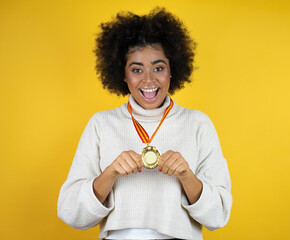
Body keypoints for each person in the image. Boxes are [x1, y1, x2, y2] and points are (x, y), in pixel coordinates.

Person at [57, 7, 232, 240]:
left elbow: (218, 217)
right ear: (123, 74)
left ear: (173, 70)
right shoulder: (101, 124)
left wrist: (186, 176)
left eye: (158, 68)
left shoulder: (199, 124)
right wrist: (110, 173)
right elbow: (71, 214)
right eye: (136, 69)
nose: (149, 80)